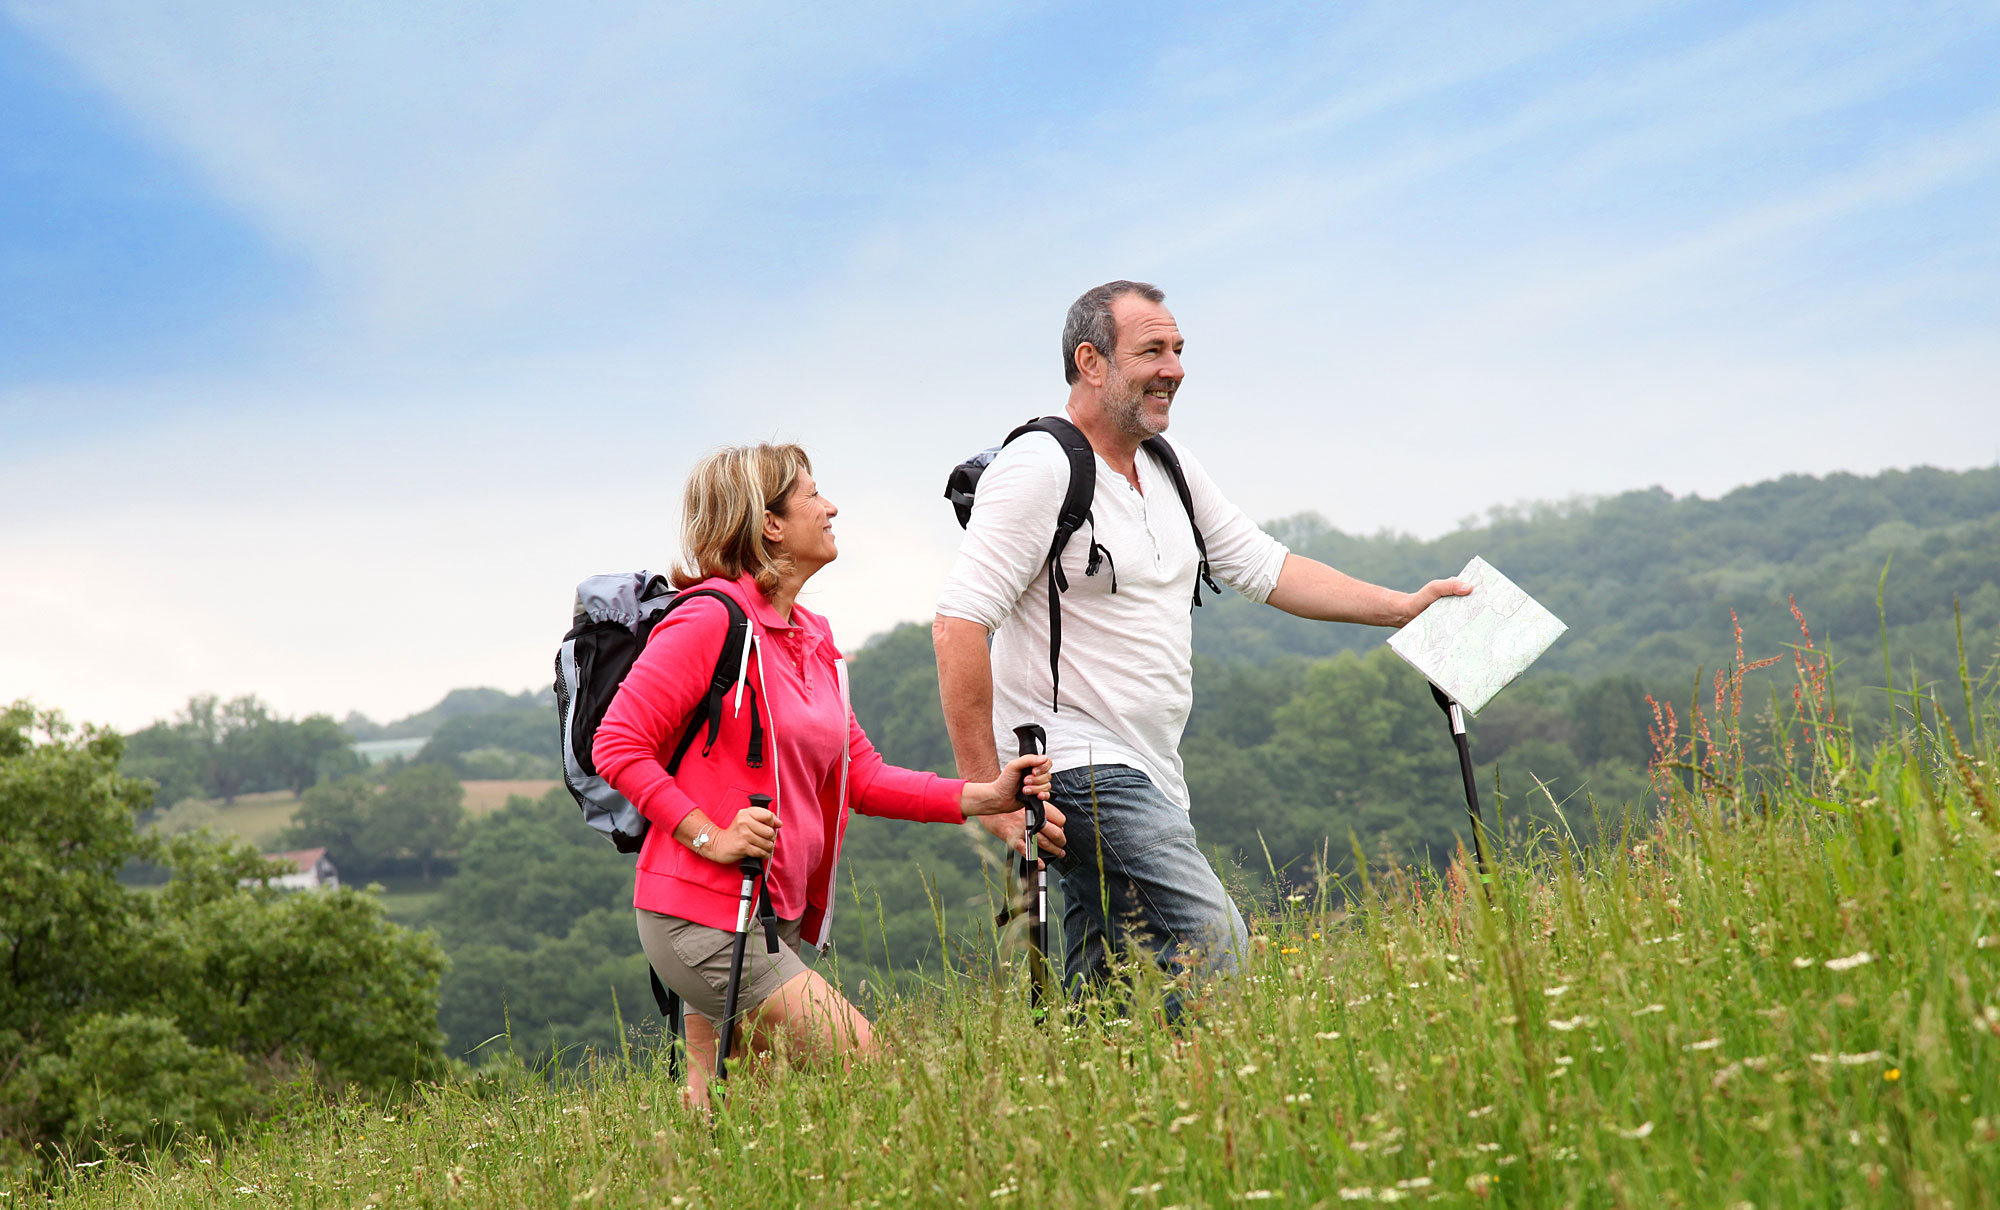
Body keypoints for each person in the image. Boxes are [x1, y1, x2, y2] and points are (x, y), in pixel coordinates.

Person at [933, 280, 1470, 1018]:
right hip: (1079, 769)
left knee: (1110, 997)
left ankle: (1101, 1112)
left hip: (1154, 772)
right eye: (1151, 350)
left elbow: (1267, 568)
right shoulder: (1040, 467)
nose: (1175, 368)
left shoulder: (1169, 465)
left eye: (1179, 350)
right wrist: (984, 793)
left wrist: (1401, 607)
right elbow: (959, 624)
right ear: (1090, 362)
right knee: (1216, 945)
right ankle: (1223, 1104)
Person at [595, 442, 1052, 1107]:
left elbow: (860, 776)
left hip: (762, 912)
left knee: (731, 1110)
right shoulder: (709, 620)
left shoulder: (811, 637)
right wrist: (709, 836)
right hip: (702, 912)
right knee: (874, 1065)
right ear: (769, 522)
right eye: (812, 494)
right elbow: (619, 745)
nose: (830, 506)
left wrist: (982, 796)